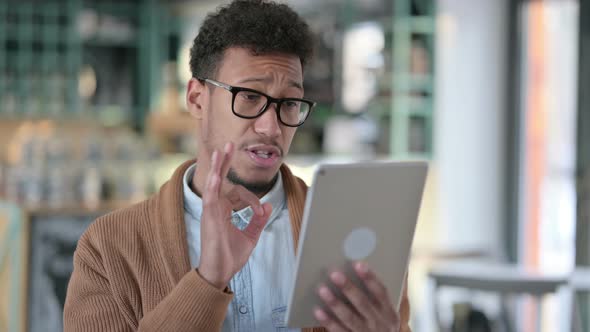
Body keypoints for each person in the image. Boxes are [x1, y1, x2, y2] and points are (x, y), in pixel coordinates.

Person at [64, 1, 411, 331]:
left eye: (289, 103)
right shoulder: (109, 248)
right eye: (249, 97)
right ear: (197, 99)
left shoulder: (354, 236)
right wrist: (208, 281)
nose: (272, 127)